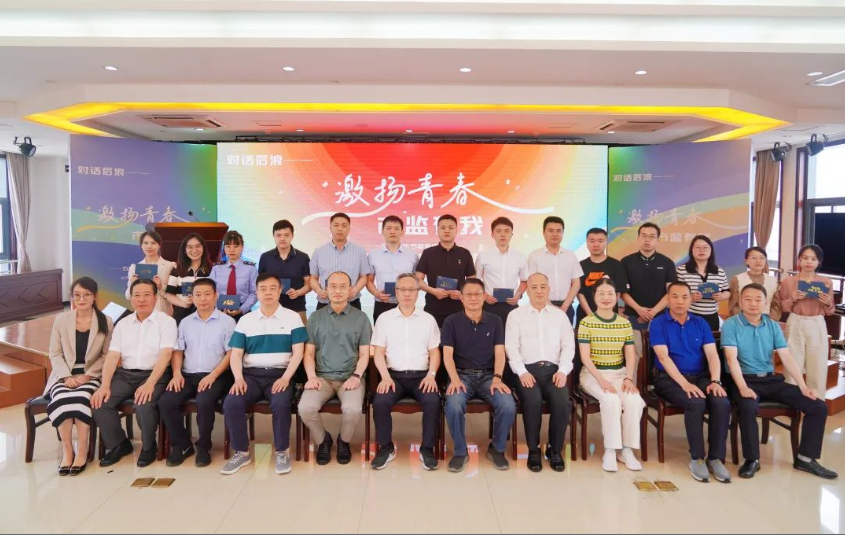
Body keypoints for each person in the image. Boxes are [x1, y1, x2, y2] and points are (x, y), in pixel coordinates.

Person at [722, 283, 837, 480]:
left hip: (770, 380)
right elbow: (731, 359)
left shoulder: (772, 326)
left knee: (818, 406)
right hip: (742, 380)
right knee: (748, 406)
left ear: (765, 302)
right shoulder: (731, 324)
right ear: (740, 301)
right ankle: (752, 459)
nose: (753, 303)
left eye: (758, 300)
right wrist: (742, 387)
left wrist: (803, 387)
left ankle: (805, 458)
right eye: (748, 299)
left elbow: (786, 357)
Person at [220, 273, 307, 475]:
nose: (268, 293)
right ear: (257, 293)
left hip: (281, 374)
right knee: (232, 402)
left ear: (279, 291)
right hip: (250, 376)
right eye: (263, 289)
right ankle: (242, 452)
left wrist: (286, 378)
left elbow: (298, 353)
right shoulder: (246, 320)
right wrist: (238, 378)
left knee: (281, 403)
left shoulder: (293, 317)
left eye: (272, 289)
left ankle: (282, 452)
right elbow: (236, 354)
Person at [649, 281, 732, 483]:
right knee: (695, 402)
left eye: (684, 297)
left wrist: (715, 381)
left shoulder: (700, 323)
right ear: (668, 300)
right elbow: (663, 357)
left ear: (691, 299)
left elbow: (712, 355)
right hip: (669, 379)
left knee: (721, 402)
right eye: (675, 297)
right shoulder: (658, 323)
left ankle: (715, 458)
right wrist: (684, 384)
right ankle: (697, 457)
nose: (680, 301)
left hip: (700, 377)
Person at [92, 278, 177, 467]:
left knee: (143, 404)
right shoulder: (123, 324)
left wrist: (150, 384)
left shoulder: (167, 322)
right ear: (131, 298)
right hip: (125, 375)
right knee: (100, 402)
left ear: (155, 298)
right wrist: (104, 386)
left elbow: (166, 355)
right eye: (137, 295)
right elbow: (113, 355)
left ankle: (148, 447)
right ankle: (119, 445)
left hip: (154, 375)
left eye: (146, 295)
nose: (141, 299)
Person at [159, 278, 236, 468]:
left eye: (207, 294)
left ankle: (203, 447)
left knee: (204, 401)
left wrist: (213, 375)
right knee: (166, 402)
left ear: (216, 296)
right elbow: (178, 351)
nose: (202, 299)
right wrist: (177, 373)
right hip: (187, 375)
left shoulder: (227, 322)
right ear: (191, 297)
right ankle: (182, 444)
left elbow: (231, 353)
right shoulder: (185, 322)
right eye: (198, 295)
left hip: (217, 375)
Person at [442, 278, 516, 473]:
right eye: (469, 294)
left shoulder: (496, 321)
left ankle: (497, 449)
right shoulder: (451, 322)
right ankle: (460, 452)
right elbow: (447, 355)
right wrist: (454, 379)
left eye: (477, 294)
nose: (473, 298)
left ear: (484, 297)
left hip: (489, 376)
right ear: (461, 298)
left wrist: (497, 378)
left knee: (508, 405)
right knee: (454, 404)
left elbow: (500, 352)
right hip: (461, 375)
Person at [299, 271, 372, 465]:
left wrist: (356, 376)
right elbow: (309, 354)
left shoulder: (361, 318)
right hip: (322, 377)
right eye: (333, 286)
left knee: (353, 409)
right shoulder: (315, 317)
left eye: (342, 286)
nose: (337, 291)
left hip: (351, 377)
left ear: (350, 290)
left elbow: (365, 354)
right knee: (305, 408)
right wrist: (311, 377)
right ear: (326, 289)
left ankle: (343, 441)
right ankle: (323, 440)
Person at [370, 273, 441, 470]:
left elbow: (435, 352)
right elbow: (378, 352)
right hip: (393, 377)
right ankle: (386, 448)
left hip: (422, 376)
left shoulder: (428, 319)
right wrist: (385, 377)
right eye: (403, 289)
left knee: (433, 401)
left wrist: (431, 375)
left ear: (418, 292)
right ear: (396, 292)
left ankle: (427, 449)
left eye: (412, 290)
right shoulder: (384, 319)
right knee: (380, 401)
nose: (407, 294)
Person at [505, 273, 573, 473]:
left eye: (543, 287)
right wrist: (522, 372)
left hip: (554, 371)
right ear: (527, 291)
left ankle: (555, 450)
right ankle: (533, 450)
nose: (539, 291)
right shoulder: (516, 316)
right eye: (534, 287)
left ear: (549, 289)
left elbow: (568, 346)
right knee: (533, 401)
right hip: (527, 371)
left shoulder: (560, 316)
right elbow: (511, 347)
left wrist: (563, 371)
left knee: (562, 402)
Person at [45, 277, 113, 476]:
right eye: (77, 295)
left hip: (93, 375)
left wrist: (89, 375)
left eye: (86, 295)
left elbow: (107, 355)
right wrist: (66, 377)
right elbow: (54, 353)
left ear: (95, 297)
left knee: (82, 399)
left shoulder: (105, 321)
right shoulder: (61, 320)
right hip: (64, 375)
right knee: (62, 399)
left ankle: (82, 451)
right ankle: (68, 452)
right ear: (71, 297)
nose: (81, 299)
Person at [577, 279, 645, 472]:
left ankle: (627, 449)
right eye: (601, 293)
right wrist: (601, 380)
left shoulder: (624, 323)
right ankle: (610, 449)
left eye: (610, 294)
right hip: (593, 375)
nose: (606, 298)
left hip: (619, 374)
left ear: (617, 297)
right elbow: (585, 357)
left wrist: (628, 378)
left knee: (634, 401)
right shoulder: (586, 322)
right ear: (594, 297)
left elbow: (630, 355)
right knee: (611, 400)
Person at [779, 244, 835, 400]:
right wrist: (793, 298)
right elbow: (783, 307)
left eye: (813, 259)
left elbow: (830, 311)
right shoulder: (788, 281)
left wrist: (827, 303)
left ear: (819, 262)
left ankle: (816, 404)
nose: (809, 262)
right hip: (795, 321)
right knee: (792, 366)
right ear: (799, 260)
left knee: (818, 367)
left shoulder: (826, 282)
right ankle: (792, 405)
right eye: (805, 258)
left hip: (817, 322)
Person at [621, 222, 678, 357]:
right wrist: (639, 309)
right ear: (638, 238)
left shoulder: (667, 262)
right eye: (644, 236)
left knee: (661, 355)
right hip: (634, 316)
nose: (647, 240)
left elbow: (671, 292)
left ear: (658, 240)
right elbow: (623, 292)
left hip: (661, 316)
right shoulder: (626, 262)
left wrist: (653, 312)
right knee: (635, 356)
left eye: (652, 236)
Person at [416, 214, 476, 327]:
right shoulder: (428, 253)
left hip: (459, 309)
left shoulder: (465, 253)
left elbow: (472, 281)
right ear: (437, 230)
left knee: (458, 338)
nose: (447, 231)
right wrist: (433, 291)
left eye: (451, 227)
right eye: (443, 228)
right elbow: (417, 280)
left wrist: (462, 293)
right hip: (433, 309)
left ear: (456, 231)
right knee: (434, 338)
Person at [310, 212, 371, 311]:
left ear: (349, 229)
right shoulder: (319, 251)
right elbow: (313, 278)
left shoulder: (360, 251)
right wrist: (318, 290)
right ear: (330, 228)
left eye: (344, 226)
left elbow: (364, 277)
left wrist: (355, 290)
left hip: (351, 301)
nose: (339, 229)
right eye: (336, 225)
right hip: (325, 301)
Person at [527, 216, 582, 322]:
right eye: (551, 231)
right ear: (543, 232)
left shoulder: (570, 255)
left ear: (563, 233)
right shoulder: (534, 255)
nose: (555, 234)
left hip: (566, 307)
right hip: (541, 307)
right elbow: (530, 283)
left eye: (558, 231)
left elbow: (576, 283)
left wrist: (565, 306)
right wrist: (549, 305)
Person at [257, 219, 312, 325]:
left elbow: (309, 284)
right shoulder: (265, 257)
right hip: (271, 309)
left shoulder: (303, 257)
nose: (282, 238)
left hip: (297, 309)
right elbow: (260, 284)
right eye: (278, 235)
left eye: (286, 235)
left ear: (292, 236)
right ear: (273, 236)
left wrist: (298, 292)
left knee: (299, 335)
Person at [475, 216, 527, 325]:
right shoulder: (483, 255)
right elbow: (476, 280)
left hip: (511, 304)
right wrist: (484, 295)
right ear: (492, 234)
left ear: (512, 234)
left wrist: (518, 295)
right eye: (498, 231)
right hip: (489, 304)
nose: (503, 234)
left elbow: (524, 281)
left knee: (511, 334)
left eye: (507, 231)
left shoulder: (520, 256)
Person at [367, 215, 419, 323]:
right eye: (389, 228)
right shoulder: (373, 255)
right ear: (382, 231)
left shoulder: (412, 255)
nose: (392, 232)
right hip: (382, 303)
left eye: (396, 228)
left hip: (405, 303)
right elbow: (369, 281)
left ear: (402, 232)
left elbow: (417, 281)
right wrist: (377, 294)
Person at [675, 235, 730, 331]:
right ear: (691, 250)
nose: (701, 250)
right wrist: (690, 298)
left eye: (705, 247)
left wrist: (721, 296)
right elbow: (675, 294)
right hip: (689, 315)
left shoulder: (719, 271)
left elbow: (727, 291)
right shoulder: (681, 270)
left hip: (712, 317)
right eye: (697, 247)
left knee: (710, 340)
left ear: (711, 251)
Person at [577, 227, 628, 325]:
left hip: (609, 316)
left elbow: (618, 292)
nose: (596, 244)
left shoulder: (616, 265)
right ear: (587, 243)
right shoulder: (580, 265)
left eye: (600, 241)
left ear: (606, 242)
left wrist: (605, 311)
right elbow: (579, 293)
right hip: (585, 316)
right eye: (592, 241)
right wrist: (591, 316)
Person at [164, 232, 213, 325]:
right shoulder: (177, 269)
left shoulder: (212, 269)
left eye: (198, 246)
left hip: (206, 315)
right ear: (184, 250)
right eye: (190, 247)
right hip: (182, 315)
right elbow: (169, 294)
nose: (194, 250)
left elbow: (216, 294)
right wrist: (184, 304)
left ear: (203, 248)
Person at [209, 230, 258, 321]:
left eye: (236, 246)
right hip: (219, 311)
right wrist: (217, 309)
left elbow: (254, 293)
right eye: (228, 246)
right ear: (224, 248)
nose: (231, 250)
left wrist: (242, 309)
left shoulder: (251, 268)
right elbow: (210, 291)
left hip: (243, 312)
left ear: (242, 247)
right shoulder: (216, 268)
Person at [125, 230, 176, 315]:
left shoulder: (170, 266)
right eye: (145, 243)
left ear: (159, 245)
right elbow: (128, 296)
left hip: (163, 313)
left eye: (153, 243)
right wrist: (132, 284)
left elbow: (175, 294)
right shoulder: (134, 268)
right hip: (142, 314)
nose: (149, 246)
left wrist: (161, 287)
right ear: (141, 246)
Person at [728, 246, 782, 320]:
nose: (758, 261)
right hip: (743, 320)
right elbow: (733, 305)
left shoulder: (773, 280)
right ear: (746, 261)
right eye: (754, 258)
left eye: (762, 258)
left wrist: (770, 321)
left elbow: (775, 305)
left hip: (767, 321)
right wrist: (744, 320)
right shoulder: (737, 279)